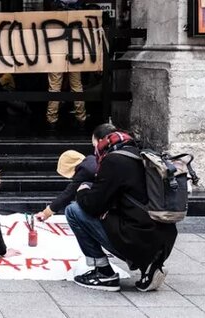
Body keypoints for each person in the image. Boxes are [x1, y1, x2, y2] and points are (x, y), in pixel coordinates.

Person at [65, 124, 177, 292]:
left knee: (74, 211)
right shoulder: (141, 153)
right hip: (162, 239)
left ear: (102, 141)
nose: (95, 151)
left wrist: (82, 191)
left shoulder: (114, 161)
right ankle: (150, 265)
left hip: (138, 238)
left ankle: (104, 272)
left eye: (94, 145)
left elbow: (93, 206)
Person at [46, 0, 87, 132]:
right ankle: (81, 118)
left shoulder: (54, 5)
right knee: (77, 86)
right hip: (75, 50)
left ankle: (52, 121)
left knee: (54, 86)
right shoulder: (80, 5)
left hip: (56, 49)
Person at [34, 150, 98, 223]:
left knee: (71, 209)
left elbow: (68, 194)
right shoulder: (91, 159)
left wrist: (46, 213)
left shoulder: (85, 171)